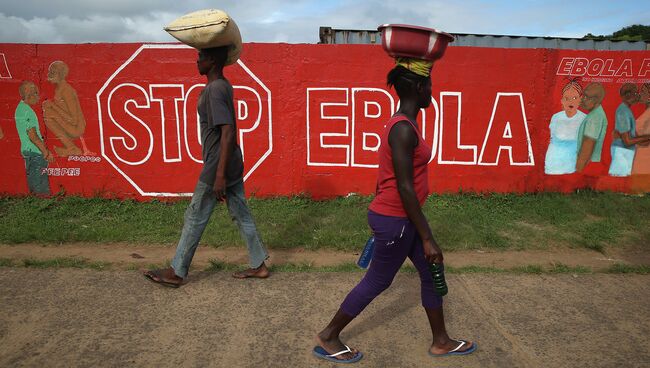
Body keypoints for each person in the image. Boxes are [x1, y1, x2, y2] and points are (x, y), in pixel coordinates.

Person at [313, 59, 476, 363]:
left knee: (430, 271)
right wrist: (426, 237)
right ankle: (329, 335)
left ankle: (441, 340)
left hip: (399, 218)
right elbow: (404, 187)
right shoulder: (402, 128)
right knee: (378, 280)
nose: (431, 91)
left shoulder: (403, 123)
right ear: (418, 87)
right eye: (429, 85)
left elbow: (386, 175)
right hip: (396, 220)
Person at [144, 46, 269, 287]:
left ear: (211, 61)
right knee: (241, 213)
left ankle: (177, 271)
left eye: (200, 57)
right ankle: (259, 265)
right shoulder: (223, 85)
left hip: (217, 164)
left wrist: (219, 175)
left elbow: (228, 131)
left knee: (195, 215)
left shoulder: (214, 90)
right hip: (231, 160)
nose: (197, 61)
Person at [43, 61, 94, 157]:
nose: (48, 74)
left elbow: (74, 120)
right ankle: (71, 148)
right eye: (49, 71)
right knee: (48, 111)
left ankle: (71, 148)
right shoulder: (59, 89)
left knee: (48, 113)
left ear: (61, 75)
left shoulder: (67, 90)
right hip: (69, 126)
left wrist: (53, 107)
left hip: (76, 128)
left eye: (53, 72)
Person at [15, 81, 53, 195]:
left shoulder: (20, 108)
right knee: (40, 186)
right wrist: (45, 152)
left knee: (34, 181)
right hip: (35, 153)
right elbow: (32, 135)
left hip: (29, 151)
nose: (38, 96)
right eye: (36, 93)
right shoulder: (27, 111)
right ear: (29, 95)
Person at [544, 79, 586, 174]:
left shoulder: (584, 119)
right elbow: (551, 136)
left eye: (575, 98)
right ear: (562, 101)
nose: (570, 102)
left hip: (573, 163)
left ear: (580, 100)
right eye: (567, 98)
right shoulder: (556, 117)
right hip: (553, 161)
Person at [609, 83, 650, 176]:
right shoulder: (623, 112)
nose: (638, 96)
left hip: (628, 151)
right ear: (628, 96)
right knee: (619, 179)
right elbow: (628, 141)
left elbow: (632, 138)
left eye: (641, 92)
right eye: (636, 94)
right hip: (623, 151)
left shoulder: (626, 111)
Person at [576, 82, 607, 173]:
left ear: (597, 100)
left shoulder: (595, 118)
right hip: (590, 164)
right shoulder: (596, 114)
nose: (583, 100)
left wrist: (577, 172)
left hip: (588, 165)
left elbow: (587, 147)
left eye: (587, 97)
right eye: (583, 96)